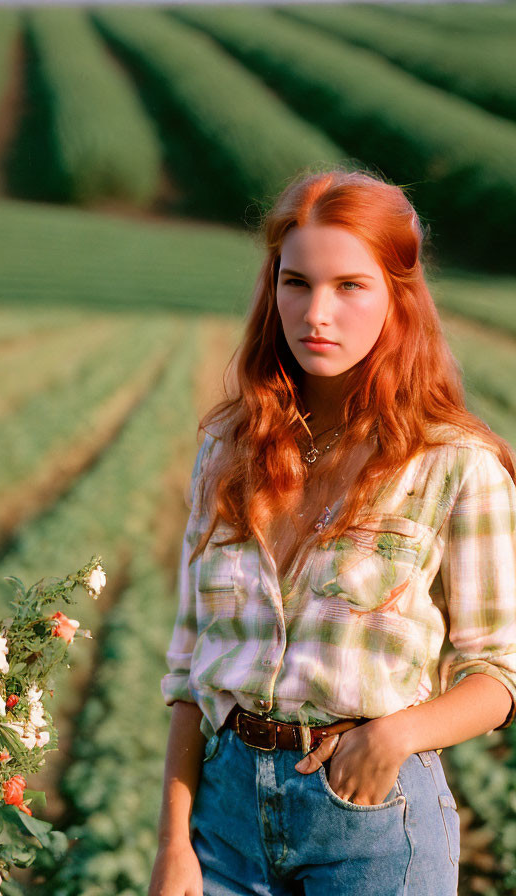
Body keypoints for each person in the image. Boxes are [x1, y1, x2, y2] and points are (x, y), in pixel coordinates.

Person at [148, 166, 516, 896]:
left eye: (350, 286)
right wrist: (172, 846)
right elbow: (191, 667)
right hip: (222, 826)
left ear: (397, 299)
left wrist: (398, 733)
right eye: (296, 283)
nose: (317, 312)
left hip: (373, 827)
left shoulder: (454, 464)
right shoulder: (229, 449)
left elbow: (499, 674)